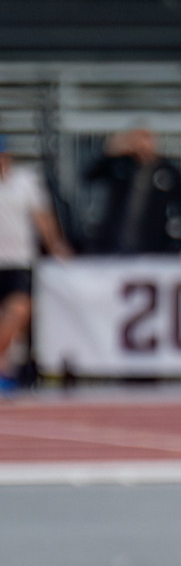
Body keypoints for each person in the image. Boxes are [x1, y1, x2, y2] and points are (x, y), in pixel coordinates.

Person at [0, 136, 73, 387]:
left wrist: (55, 244)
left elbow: (42, 216)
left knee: (19, 312)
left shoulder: (25, 181)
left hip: (18, 260)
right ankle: (6, 369)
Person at [80, 126, 181, 256]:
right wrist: (110, 153)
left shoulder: (167, 171)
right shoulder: (121, 165)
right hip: (115, 243)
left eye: (146, 139)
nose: (143, 144)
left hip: (154, 245)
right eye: (137, 139)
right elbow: (89, 176)